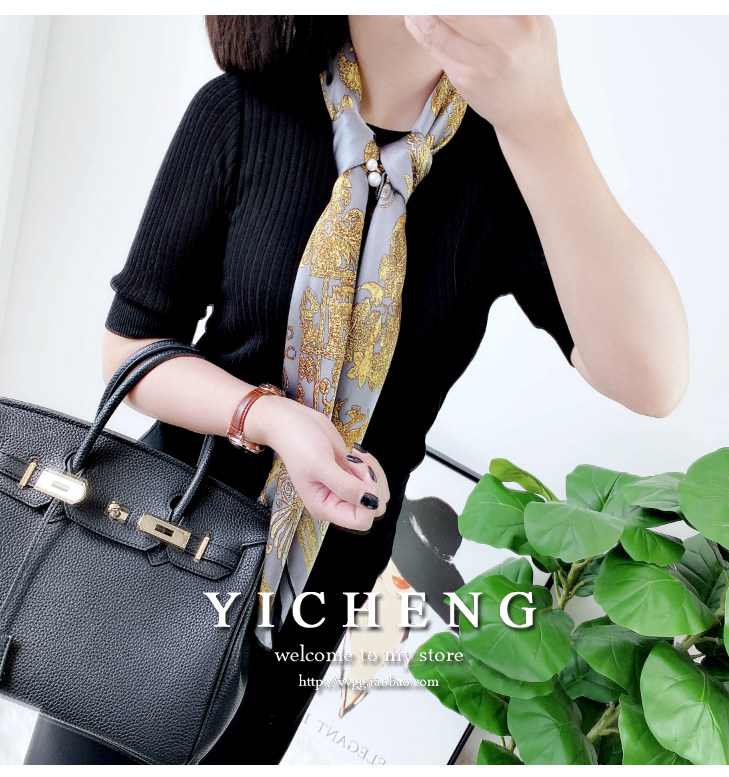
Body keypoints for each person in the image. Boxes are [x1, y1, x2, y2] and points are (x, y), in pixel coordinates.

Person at [23, 14, 689, 765]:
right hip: (159, 545)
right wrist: (269, 418)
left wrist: (543, 119)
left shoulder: (505, 167)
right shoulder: (242, 110)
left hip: (311, 596)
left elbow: (653, 378)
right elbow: (132, 349)